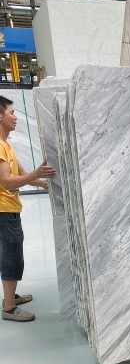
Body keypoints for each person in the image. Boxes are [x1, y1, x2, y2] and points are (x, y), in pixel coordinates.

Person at [0, 95, 56, 322]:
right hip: (4, 211)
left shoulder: (6, 145)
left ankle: (10, 297)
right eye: (11, 113)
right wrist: (36, 174)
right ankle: (9, 308)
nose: (15, 117)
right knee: (11, 256)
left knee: (9, 254)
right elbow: (6, 182)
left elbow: (22, 174)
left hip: (8, 209)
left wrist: (43, 183)